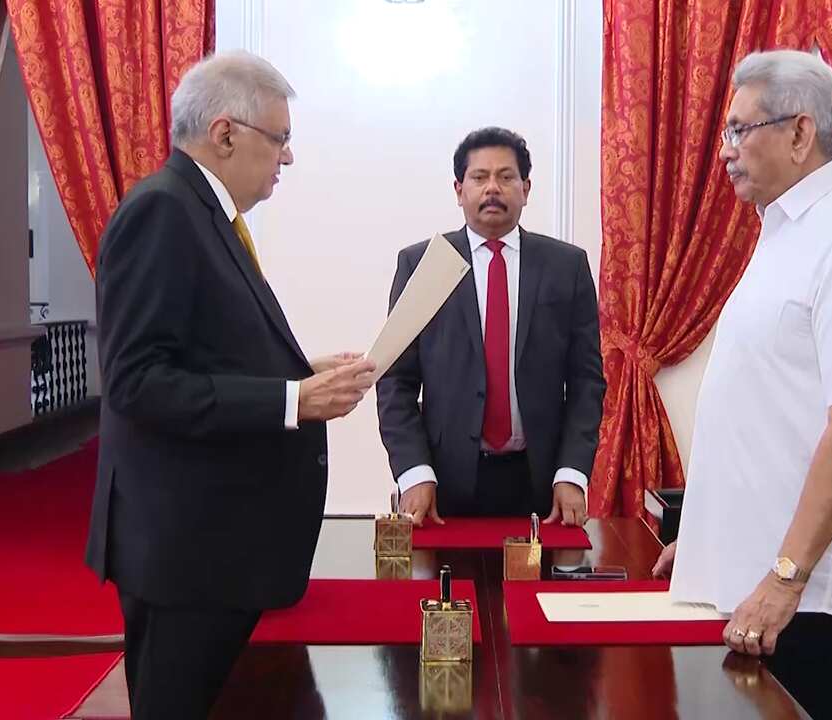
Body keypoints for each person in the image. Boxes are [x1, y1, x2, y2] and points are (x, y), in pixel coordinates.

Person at [84, 51, 375, 719]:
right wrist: (290, 400)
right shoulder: (162, 211)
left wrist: (302, 372)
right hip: (187, 551)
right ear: (225, 135)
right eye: (281, 139)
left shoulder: (202, 213)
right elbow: (138, 381)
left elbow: (205, 350)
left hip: (217, 544)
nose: (288, 159)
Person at [652, 50, 832, 719]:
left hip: (814, 600)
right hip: (763, 580)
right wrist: (717, 529)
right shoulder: (781, 234)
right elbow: (770, 409)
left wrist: (783, 576)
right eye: (725, 133)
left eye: (741, 130)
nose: (725, 151)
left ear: (801, 132)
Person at [376, 127, 605, 527]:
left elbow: (586, 381)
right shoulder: (423, 265)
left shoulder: (565, 267)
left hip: (540, 485)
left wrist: (572, 472)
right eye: (479, 178)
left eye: (506, 176)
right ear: (459, 188)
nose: (492, 188)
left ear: (526, 188)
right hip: (442, 485)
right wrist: (414, 471)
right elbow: (395, 381)